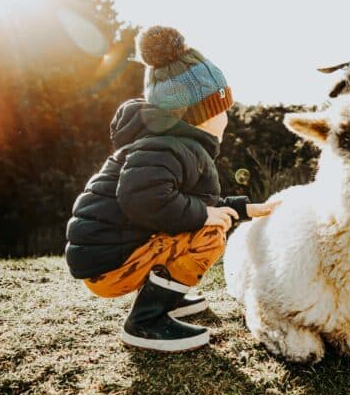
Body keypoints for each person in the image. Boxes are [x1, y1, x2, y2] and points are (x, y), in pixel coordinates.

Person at [65, 26, 277, 352]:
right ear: (199, 114)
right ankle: (146, 322)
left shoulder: (173, 145)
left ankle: (167, 297)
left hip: (111, 252)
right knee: (210, 233)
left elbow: (181, 201)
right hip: (111, 262)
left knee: (206, 219)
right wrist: (207, 215)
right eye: (221, 108)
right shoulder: (168, 146)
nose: (227, 116)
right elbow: (144, 198)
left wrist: (244, 208)